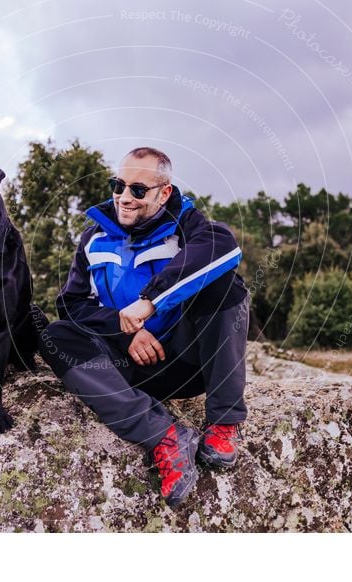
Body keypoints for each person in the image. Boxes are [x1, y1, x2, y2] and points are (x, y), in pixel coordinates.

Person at [38, 147, 249, 507]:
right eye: (118, 186)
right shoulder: (92, 239)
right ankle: (164, 437)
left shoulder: (189, 225)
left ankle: (224, 423)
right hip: (125, 369)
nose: (124, 197)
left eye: (138, 190)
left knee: (226, 285)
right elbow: (72, 305)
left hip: (186, 362)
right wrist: (128, 331)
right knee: (55, 334)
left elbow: (224, 247)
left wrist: (151, 301)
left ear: (164, 192)